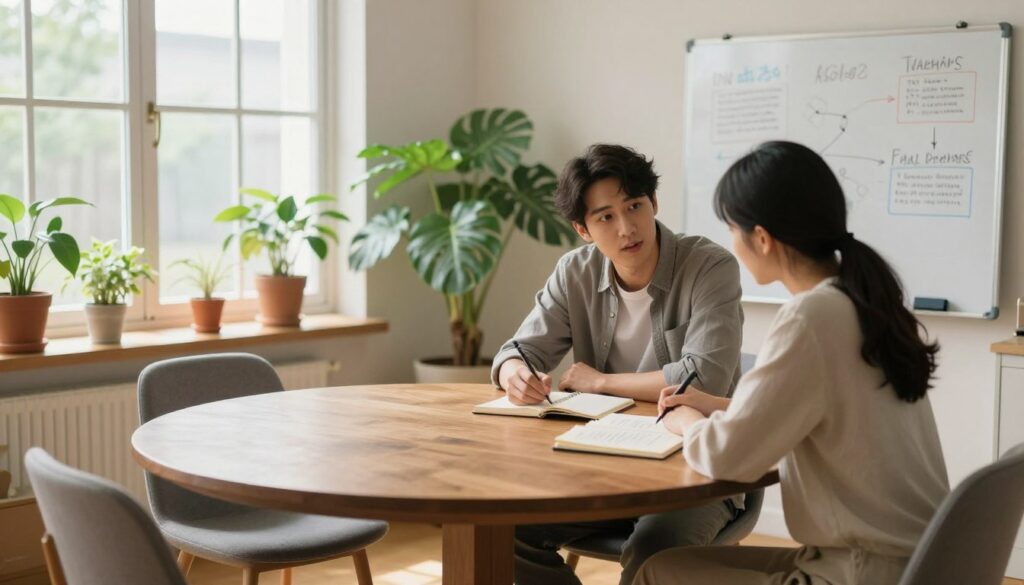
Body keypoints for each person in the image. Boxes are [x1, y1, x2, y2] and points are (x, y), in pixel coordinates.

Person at [636, 141, 949, 585]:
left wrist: (686, 420)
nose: (731, 242)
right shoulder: (862, 303)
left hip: (858, 572)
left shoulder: (810, 318)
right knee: (658, 565)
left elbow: (729, 457)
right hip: (905, 562)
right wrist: (717, 405)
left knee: (656, 573)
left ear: (761, 238)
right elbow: (823, 416)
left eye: (732, 228)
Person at [489, 143, 745, 585]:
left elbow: (702, 379)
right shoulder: (575, 272)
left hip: (698, 465)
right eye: (605, 216)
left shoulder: (709, 266)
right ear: (582, 229)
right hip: (605, 465)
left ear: (654, 204)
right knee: (505, 529)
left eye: (634, 206)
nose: (627, 227)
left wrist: (601, 382)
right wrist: (515, 374)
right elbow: (517, 351)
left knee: (653, 548)